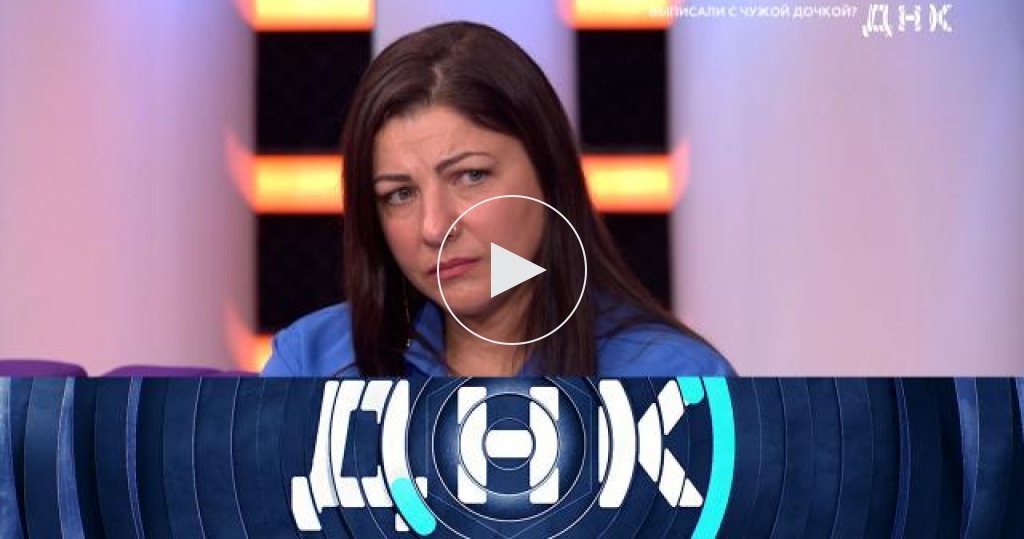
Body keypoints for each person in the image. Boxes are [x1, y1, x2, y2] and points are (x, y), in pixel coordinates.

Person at [261, 21, 734, 378]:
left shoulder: (675, 378)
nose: (434, 227)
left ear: (548, 171)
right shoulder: (311, 365)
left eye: (470, 176)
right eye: (400, 194)